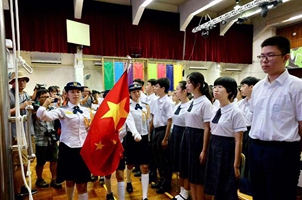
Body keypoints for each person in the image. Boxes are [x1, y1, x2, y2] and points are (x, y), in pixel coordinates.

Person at [248, 36, 302, 200]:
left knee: (281, 194)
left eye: (270, 55)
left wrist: (294, 152)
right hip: (256, 148)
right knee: (258, 193)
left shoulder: (297, 86)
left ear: (286, 58)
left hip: (283, 151)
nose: (264, 60)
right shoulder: (257, 87)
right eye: (262, 56)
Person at [36, 81, 92, 200]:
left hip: (84, 149)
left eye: (78, 92)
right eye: (72, 92)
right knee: (70, 181)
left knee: (83, 184)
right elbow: (43, 116)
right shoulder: (62, 110)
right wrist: (45, 104)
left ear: (81, 94)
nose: (76, 94)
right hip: (68, 149)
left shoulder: (87, 111)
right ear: (67, 94)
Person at [204, 76, 246, 200]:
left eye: (220, 87)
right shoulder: (216, 108)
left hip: (227, 149)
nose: (215, 90)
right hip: (214, 145)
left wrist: (236, 165)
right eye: (215, 87)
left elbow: (239, 140)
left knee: (226, 186)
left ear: (230, 91)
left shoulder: (236, 112)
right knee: (215, 184)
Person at [179, 72, 213, 200]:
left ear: (198, 84)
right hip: (187, 136)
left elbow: (207, 127)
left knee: (197, 175)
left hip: (198, 138)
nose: (186, 85)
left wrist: (204, 150)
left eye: (189, 82)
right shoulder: (193, 101)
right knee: (190, 173)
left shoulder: (205, 102)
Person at [9, 71, 38, 200]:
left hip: (28, 131)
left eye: (24, 80)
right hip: (17, 133)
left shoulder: (26, 95)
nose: (22, 83)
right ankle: (16, 193)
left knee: (27, 163)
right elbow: (5, 112)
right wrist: (21, 106)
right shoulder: (8, 95)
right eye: (18, 80)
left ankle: (22, 186)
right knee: (20, 164)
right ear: (12, 82)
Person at [124, 83, 151, 200]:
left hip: (144, 138)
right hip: (131, 138)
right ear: (130, 94)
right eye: (134, 92)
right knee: (130, 164)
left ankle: (144, 196)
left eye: (138, 91)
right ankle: (129, 181)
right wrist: (135, 133)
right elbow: (129, 122)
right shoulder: (127, 107)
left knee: (144, 166)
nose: (137, 93)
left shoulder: (145, 106)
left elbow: (148, 122)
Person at [33, 89, 62, 189]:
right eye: (43, 97)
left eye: (47, 97)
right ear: (38, 98)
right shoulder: (34, 109)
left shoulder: (52, 109)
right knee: (41, 162)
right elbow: (38, 117)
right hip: (40, 139)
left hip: (52, 138)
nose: (46, 99)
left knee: (54, 160)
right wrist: (44, 105)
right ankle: (39, 179)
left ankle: (54, 179)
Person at [149, 78, 174, 194]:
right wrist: (151, 133)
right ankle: (161, 179)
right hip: (156, 131)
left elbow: (169, 120)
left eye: (157, 86)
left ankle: (167, 183)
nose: (155, 88)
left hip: (163, 131)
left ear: (163, 88)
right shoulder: (155, 101)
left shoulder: (168, 102)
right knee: (157, 158)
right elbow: (153, 118)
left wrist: (165, 138)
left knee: (164, 159)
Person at [169, 81, 191, 200]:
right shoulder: (177, 105)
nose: (175, 92)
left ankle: (186, 192)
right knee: (178, 164)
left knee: (185, 165)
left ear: (184, 91)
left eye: (177, 89)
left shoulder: (190, 105)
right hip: (176, 134)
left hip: (184, 134)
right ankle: (181, 191)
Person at [237, 76, 259, 178]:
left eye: (243, 86)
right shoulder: (240, 103)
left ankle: (248, 182)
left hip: (252, 132)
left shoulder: (258, 103)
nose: (240, 88)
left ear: (251, 87)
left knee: (250, 159)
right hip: (241, 132)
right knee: (241, 157)